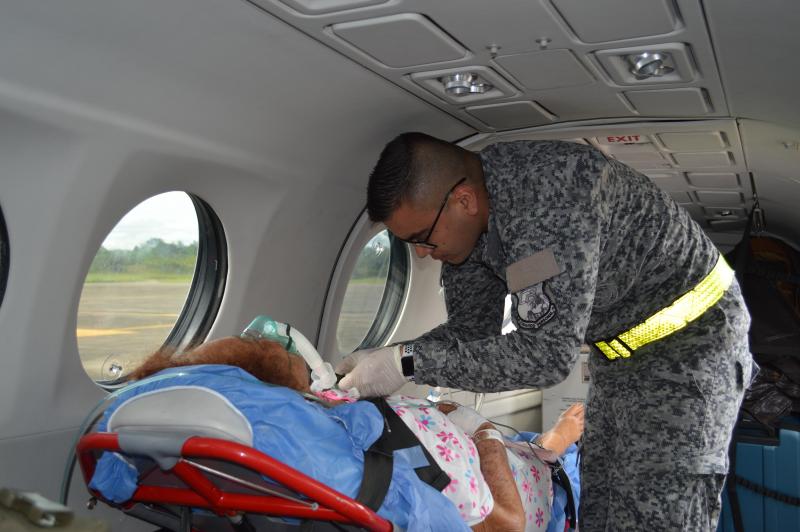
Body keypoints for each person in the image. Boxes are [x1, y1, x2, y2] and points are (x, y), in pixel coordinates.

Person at [337, 132, 756, 531]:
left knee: (660, 504)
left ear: (463, 200)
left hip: (693, 345)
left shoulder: (550, 195)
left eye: (422, 239)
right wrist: (389, 355)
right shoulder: (467, 227)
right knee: (604, 497)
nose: (421, 254)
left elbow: (545, 355)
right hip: (620, 354)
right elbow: (470, 330)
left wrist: (407, 363)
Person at [98, 336, 584, 532]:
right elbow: (507, 525)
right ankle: (556, 444)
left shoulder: (217, 466)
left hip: (467, 457)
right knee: (566, 446)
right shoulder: (389, 440)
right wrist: (483, 433)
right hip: (532, 484)